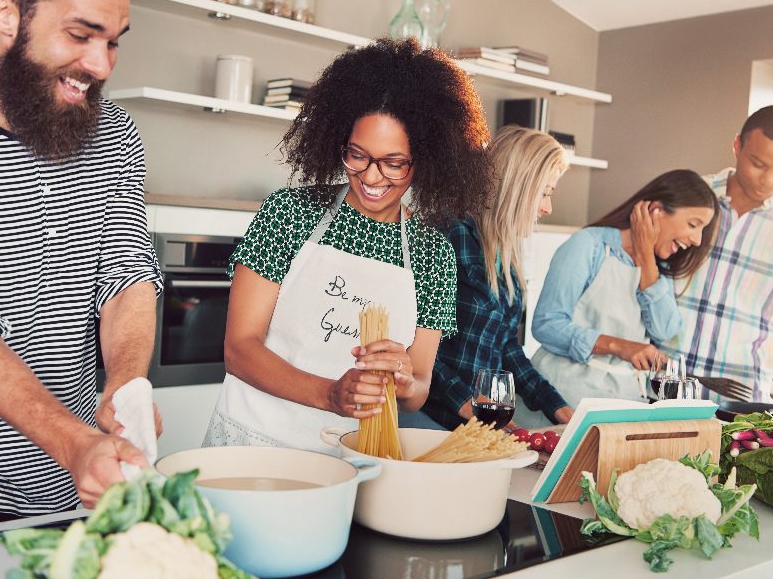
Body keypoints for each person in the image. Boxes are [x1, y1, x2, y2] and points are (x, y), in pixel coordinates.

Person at [0, 0, 162, 527]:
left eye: (114, 40)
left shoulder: (112, 129)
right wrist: (74, 444)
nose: (102, 66)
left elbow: (127, 271)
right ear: (5, 13)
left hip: (79, 480)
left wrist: (126, 388)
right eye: (81, 34)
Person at [203, 38, 491, 452]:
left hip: (353, 458)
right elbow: (239, 349)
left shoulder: (432, 254)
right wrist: (329, 394)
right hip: (254, 443)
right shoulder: (289, 214)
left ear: (425, 161)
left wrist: (405, 379)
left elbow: (420, 387)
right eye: (357, 155)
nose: (372, 177)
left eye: (394, 163)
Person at [515, 170, 719, 425]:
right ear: (655, 210)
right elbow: (546, 324)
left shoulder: (656, 270)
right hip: (560, 404)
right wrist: (619, 346)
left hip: (622, 408)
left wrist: (646, 257)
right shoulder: (588, 245)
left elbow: (666, 331)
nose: (697, 240)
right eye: (693, 225)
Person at [418, 126, 575, 431]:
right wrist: (469, 406)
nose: (547, 208)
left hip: (474, 425)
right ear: (516, 187)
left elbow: (507, 348)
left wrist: (557, 406)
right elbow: (417, 349)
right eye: (544, 193)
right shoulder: (449, 236)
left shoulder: (506, 259)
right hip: (430, 419)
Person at [662, 106, 773, 403]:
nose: (769, 180)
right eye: (758, 164)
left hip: (742, 399)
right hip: (663, 385)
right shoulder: (690, 196)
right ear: (737, 146)